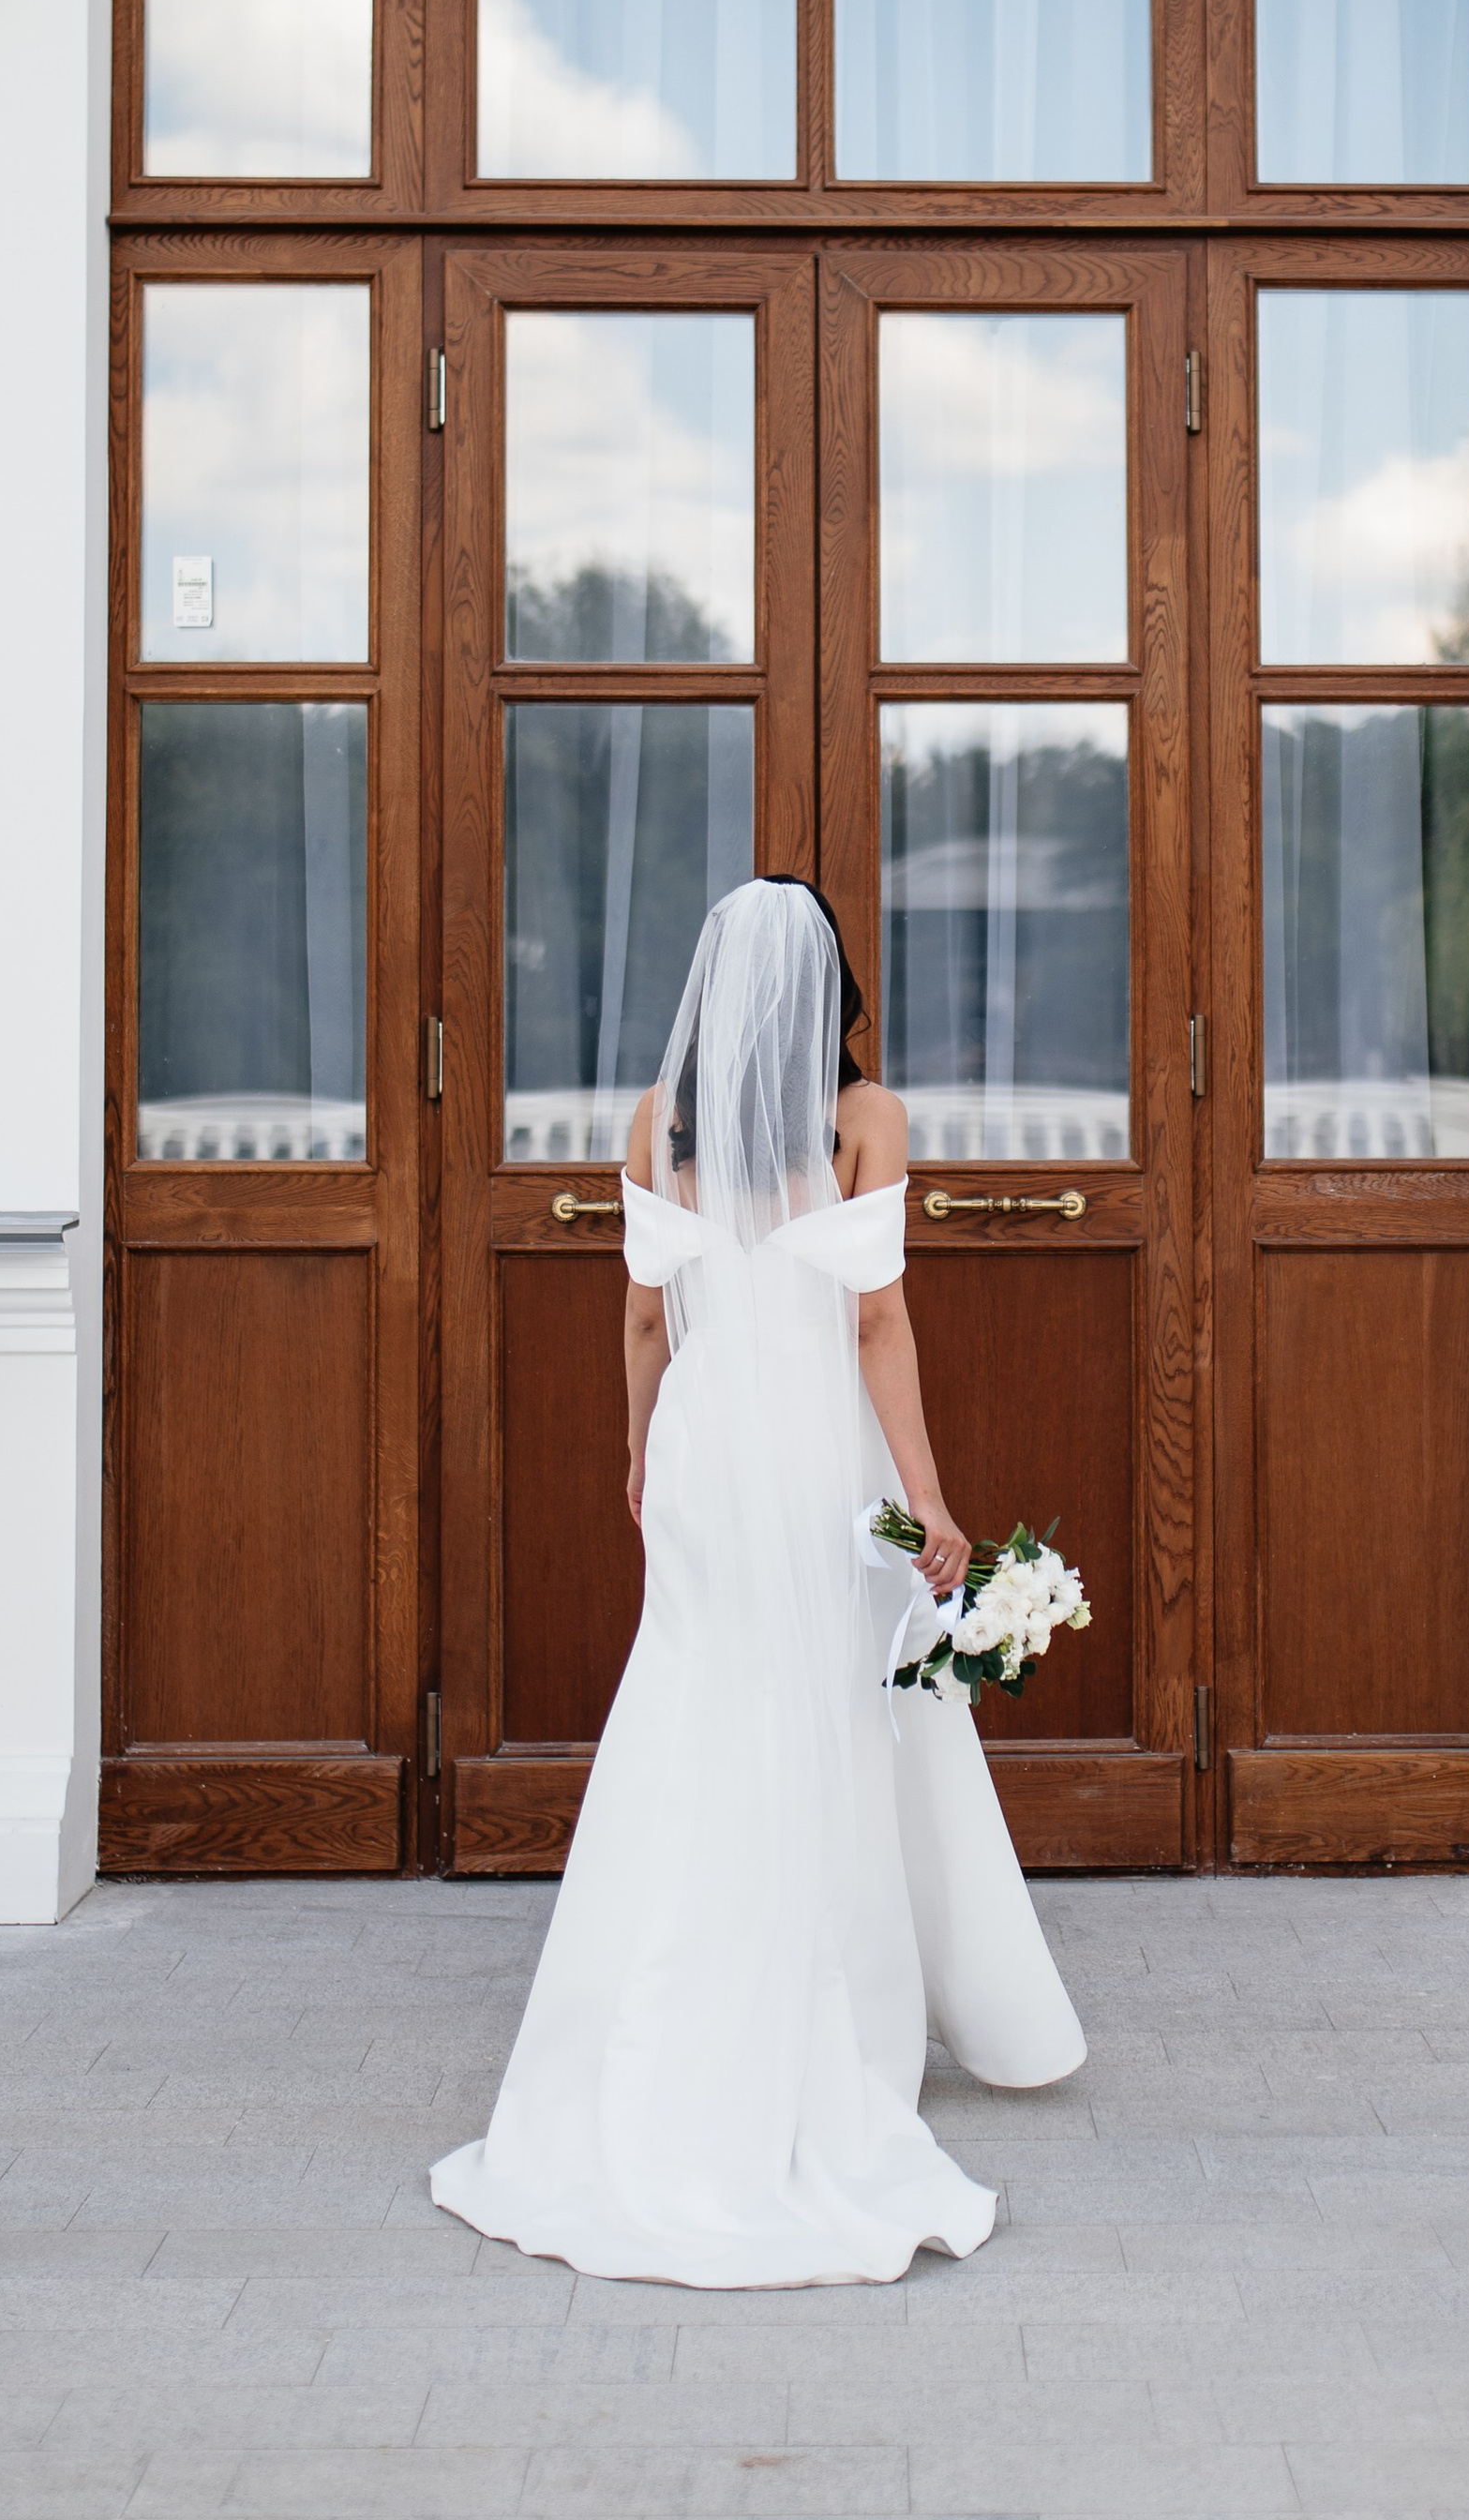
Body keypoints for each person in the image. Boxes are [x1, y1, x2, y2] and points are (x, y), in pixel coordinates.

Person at [430, 873, 1085, 2286]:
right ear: (835, 991)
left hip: (704, 1446)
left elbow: (642, 1320)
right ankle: (817, 2016)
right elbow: (880, 1325)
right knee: (824, 1711)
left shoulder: (651, 1130)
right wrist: (926, 1496)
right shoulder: (867, 1122)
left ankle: (654, 2012)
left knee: (689, 1696)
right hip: (809, 1448)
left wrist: (632, 1450)